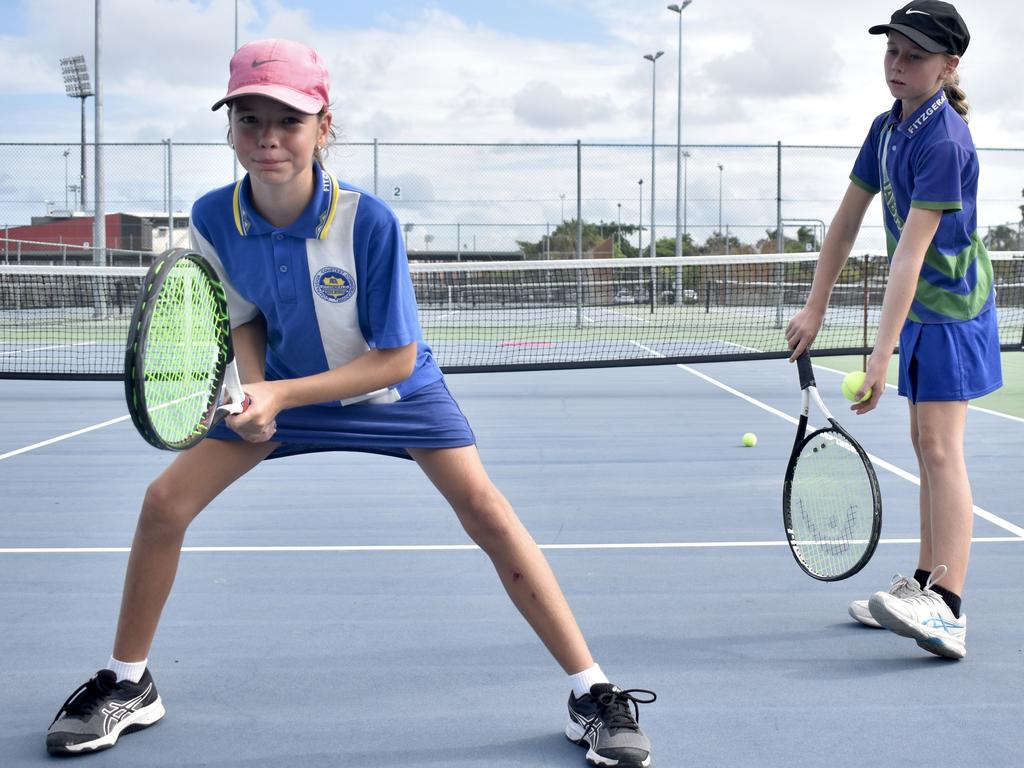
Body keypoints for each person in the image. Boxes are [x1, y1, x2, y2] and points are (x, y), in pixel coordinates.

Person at [46, 39, 656, 766]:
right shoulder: (213, 216)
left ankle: (593, 693)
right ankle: (128, 682)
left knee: (488, 512)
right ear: (230, 128)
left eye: (289, 120)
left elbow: (395, 355)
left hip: (393, 390)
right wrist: (250, 390)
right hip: (281, 390)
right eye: (249, 119)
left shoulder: (368, 223)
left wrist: (280, 391)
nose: (268, 137)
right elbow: (243, 315)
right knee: (162, 505)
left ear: (324, 127)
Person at [786, 1, 999, 661]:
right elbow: (847, 221)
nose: (897, 65)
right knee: (922, 442)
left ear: (948, 66)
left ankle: (949, 606)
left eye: (914, 55)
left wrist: (880, 354)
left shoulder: (944, 139)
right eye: (891, 52)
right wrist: (815, 307)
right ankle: (924, 587)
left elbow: (908, 253)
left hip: (952, 314)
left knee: (941, 449)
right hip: (922, 313)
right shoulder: (886, 130)